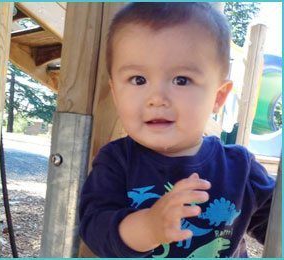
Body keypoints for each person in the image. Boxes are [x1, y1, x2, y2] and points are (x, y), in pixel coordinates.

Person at [79, 2, 275, 258]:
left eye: (181, 80)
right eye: (138, 80)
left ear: (218, 97)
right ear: (115, 93)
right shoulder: (116, 162)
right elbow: (95, 228)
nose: (157, 98)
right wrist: (148, 227)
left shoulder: (241, 168)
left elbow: (274, 226)